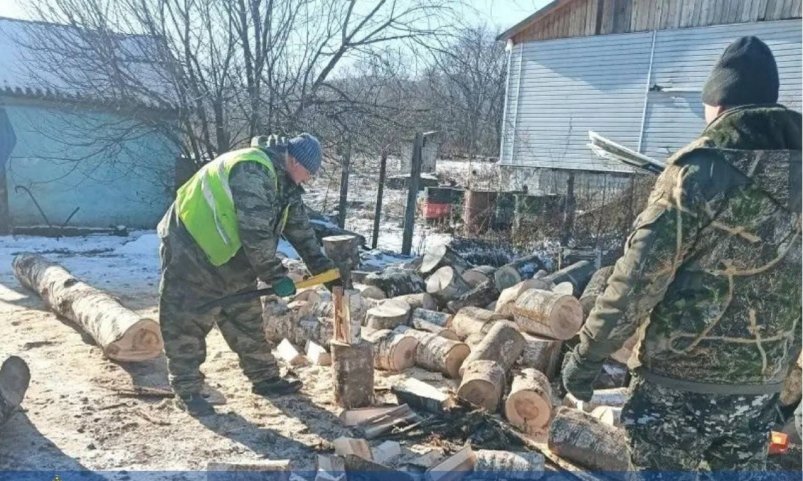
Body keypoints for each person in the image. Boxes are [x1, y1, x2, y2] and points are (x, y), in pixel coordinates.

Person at [562, 36, 802, 472]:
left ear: (718, 103)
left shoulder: (698, 172)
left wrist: (586, 358)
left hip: (676, 390)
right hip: (758, 392)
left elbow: (638, 278)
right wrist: (787, 385)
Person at [158, 133, 339, 416]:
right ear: (294, 161)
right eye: (308, 173)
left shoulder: (285, 186)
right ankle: (187, 390)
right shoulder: (252, 170)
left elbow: (302, 233)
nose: (308, 179)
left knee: (245, 315)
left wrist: (326, 272)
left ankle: (265, 379)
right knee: (186, 318)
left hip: (230, 251)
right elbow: (255, 232)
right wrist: (275, 275)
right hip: (191, 244)